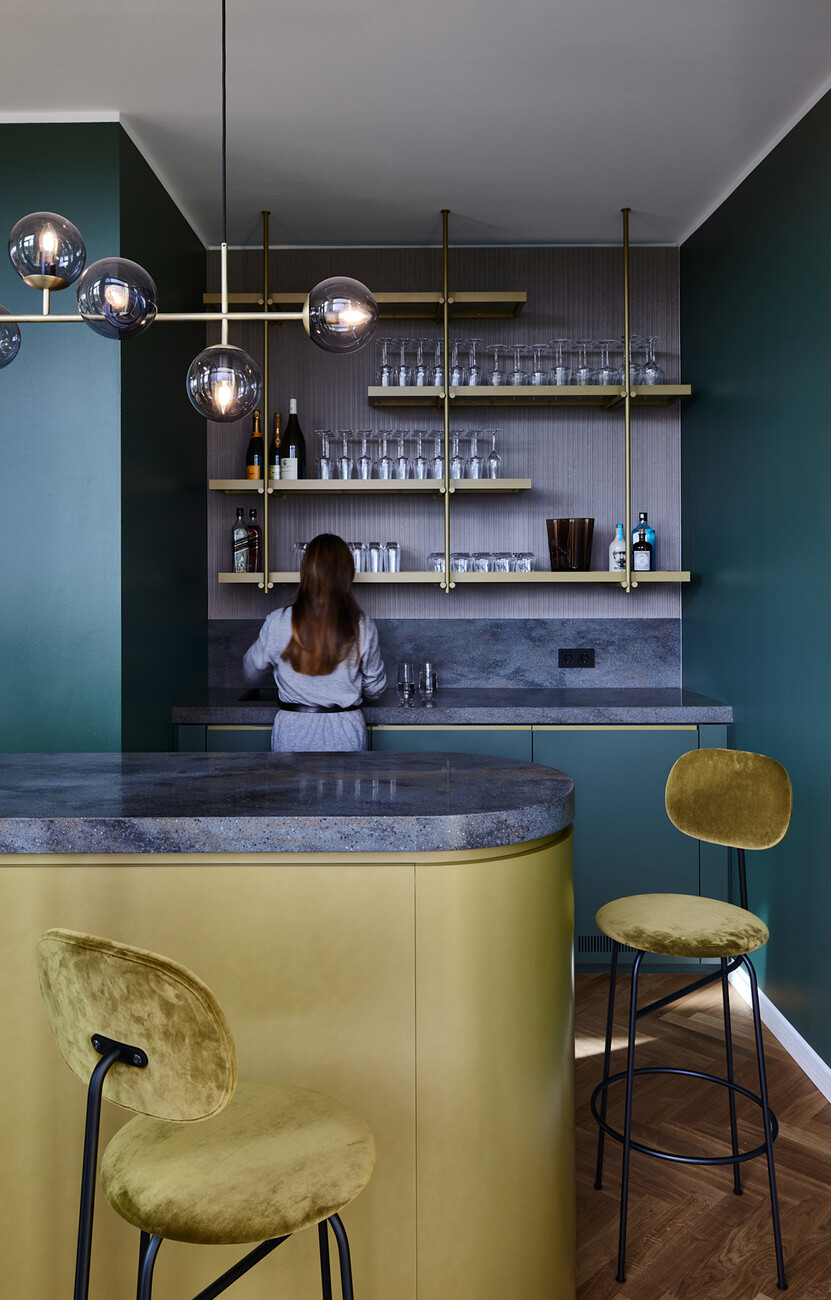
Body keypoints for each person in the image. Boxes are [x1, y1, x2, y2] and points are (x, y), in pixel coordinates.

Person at [242, 533, 386, 751]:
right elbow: (375, 689)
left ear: (305, 571)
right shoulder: (362, 625)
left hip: (292, 731)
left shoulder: (278, 621)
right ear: (348, 573)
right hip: (346, 732)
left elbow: (251, 671)